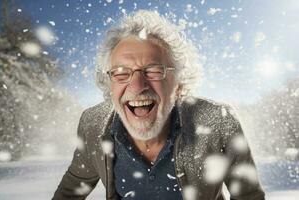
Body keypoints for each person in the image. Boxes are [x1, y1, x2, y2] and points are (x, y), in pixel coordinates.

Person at [53, 10, 265, 200]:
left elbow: (249, 197)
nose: (137, 86)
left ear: (179, 84)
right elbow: (71, 189)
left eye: (153, 70)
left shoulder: (218, 122)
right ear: (109, 85)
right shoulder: (94, 125)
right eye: (121, 72)